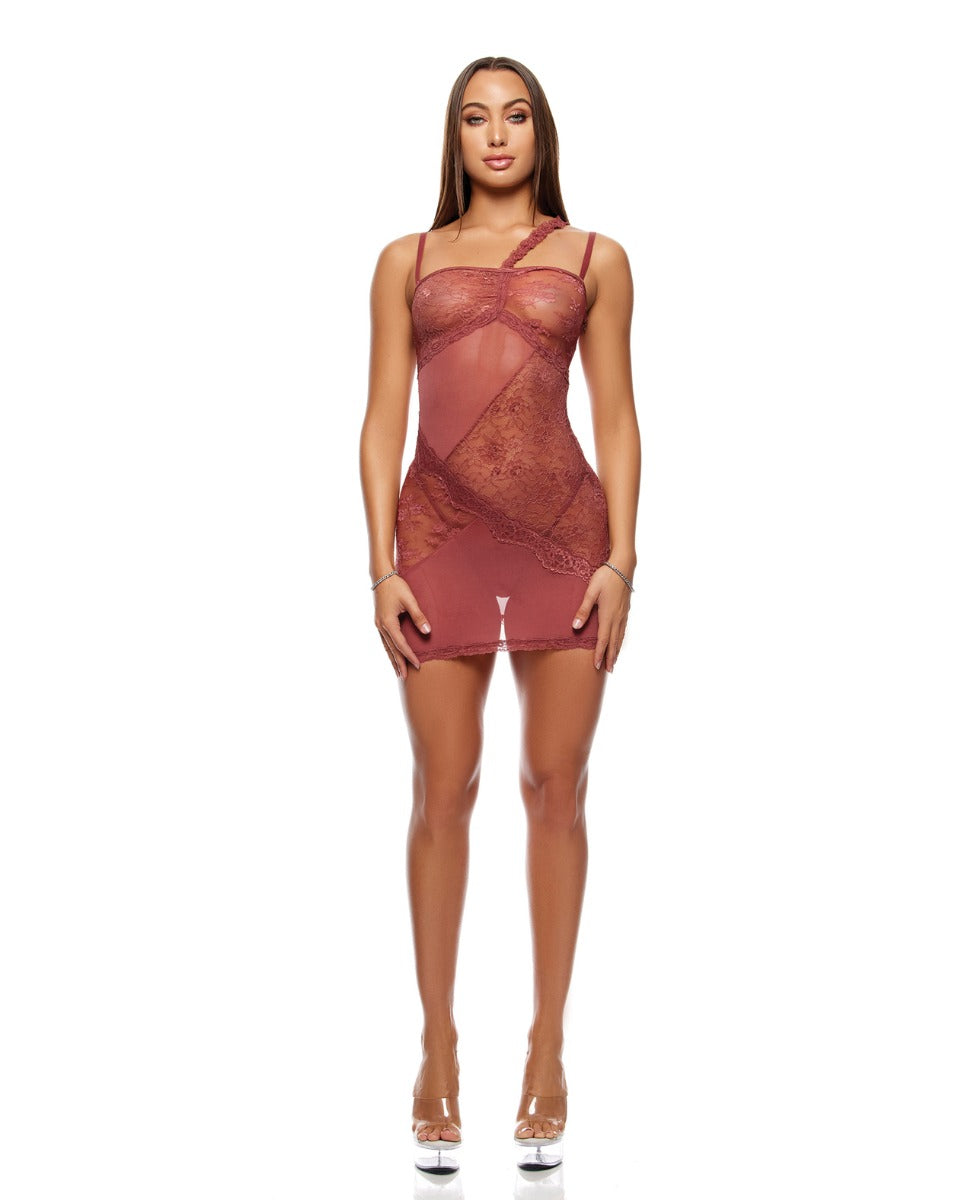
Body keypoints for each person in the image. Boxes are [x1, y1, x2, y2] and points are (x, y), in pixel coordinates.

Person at [358, 55, 640, 1171]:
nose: (495, 134)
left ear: (540, 132)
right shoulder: (405, 260)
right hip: (435, 540)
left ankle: (547, 1054)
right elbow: (381, 417)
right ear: (453, 137)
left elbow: (616, 415)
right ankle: (436, 1053)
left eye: (515, 115)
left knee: (554, 789)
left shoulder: (595, 257)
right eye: (475, 117)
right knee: (443, 789)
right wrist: (377, 566)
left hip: (566, 536)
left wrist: (621, 561)